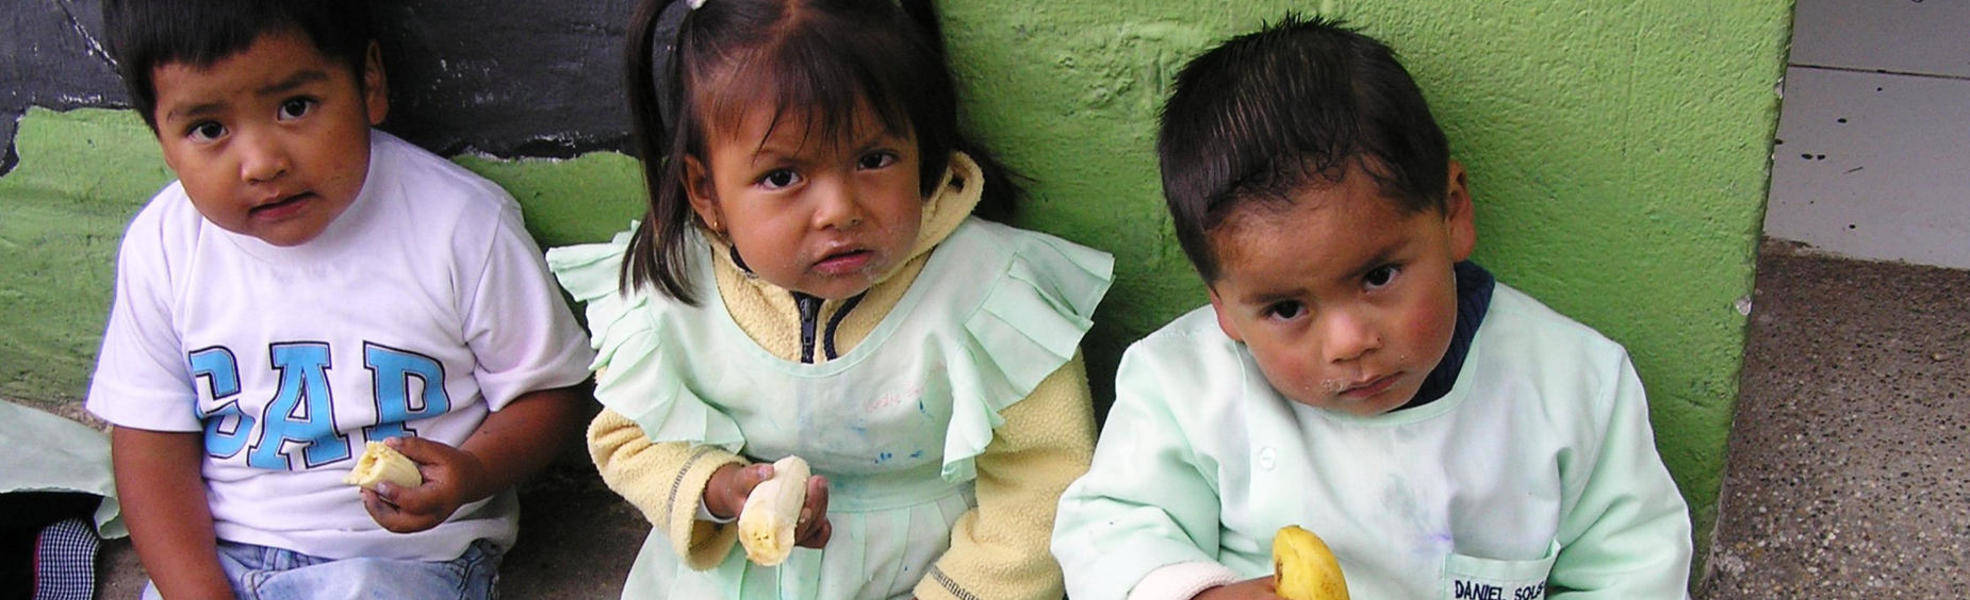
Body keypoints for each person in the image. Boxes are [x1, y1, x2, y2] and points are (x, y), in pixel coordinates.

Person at [1051, 15, 1694, 600]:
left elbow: (1635, 570)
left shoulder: (1574, 385)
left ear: (1452, 211)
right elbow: (1109, 532)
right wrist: (1193, 595)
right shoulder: (1182, 387)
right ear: (1222, 307)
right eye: (1284, 309)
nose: (1348, 341)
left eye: (1379, 275)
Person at [544, 0, 1112, 597]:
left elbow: (1044, 481)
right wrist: (716, 490)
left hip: (930, 574)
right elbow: (629, 437)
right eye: (783, 176)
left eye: (874, 159)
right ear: (706, 191)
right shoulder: (671, 287)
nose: (840, 209)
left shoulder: (991, 294)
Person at [86, 1, 595, 597]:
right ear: (160, 138)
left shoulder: (460, 226)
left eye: (294, 107)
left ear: (369, 82)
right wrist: (196, 589)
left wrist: (474, 471)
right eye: (209, 129)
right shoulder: (166, 244)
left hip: (402, 561)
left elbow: (548, 390)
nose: (261, 162)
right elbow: (150, 446)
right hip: (222, 554)